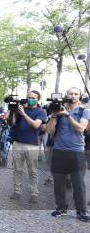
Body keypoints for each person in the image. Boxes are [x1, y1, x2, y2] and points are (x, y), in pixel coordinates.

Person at [44, 87, 90, 222]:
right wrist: (54, 115)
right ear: (66, 95)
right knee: (58, 182)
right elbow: (48, 130)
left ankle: (81, 211)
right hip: (59, 151)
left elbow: (81, 128)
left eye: (76, 94)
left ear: (80, 96)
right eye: (71, 93)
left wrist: (67, 115)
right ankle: (61, 208)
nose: (73, 96)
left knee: (78, 183)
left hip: (76, 152)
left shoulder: (84, 111)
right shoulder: (58, 110)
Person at [7, 90, 48, 203]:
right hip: (18, 143)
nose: (30, 99)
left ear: (37, 99)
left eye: (33, 97)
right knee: (17, 169)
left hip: (32, 145)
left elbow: (36, 125)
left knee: (33, 171)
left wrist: (24, 114)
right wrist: (14, 111)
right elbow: (12, 124)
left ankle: (34, 193)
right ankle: (17, 191)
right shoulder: (20, 110)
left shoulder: (41, 112)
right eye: (28, 97)